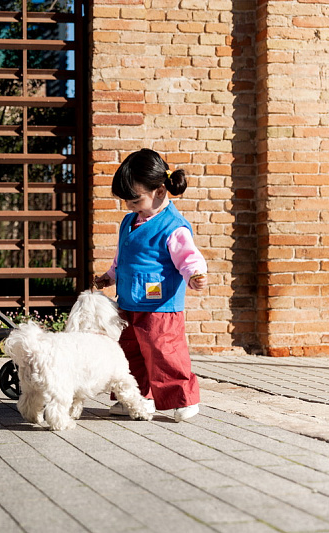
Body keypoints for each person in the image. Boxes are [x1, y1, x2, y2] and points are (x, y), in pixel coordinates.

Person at [94, 148, 207, 422]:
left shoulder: (173, 226)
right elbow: (123, 257)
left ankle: (183, 399)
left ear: (159, 191)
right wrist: (110, 275)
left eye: (135, 200)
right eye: (126, 200)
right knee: (129, 353)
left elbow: (188, 257)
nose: (129, 206)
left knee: (164, 352)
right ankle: (135, 399)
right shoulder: (129, 222)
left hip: (160, 306)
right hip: (129, 303)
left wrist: (194, 274)